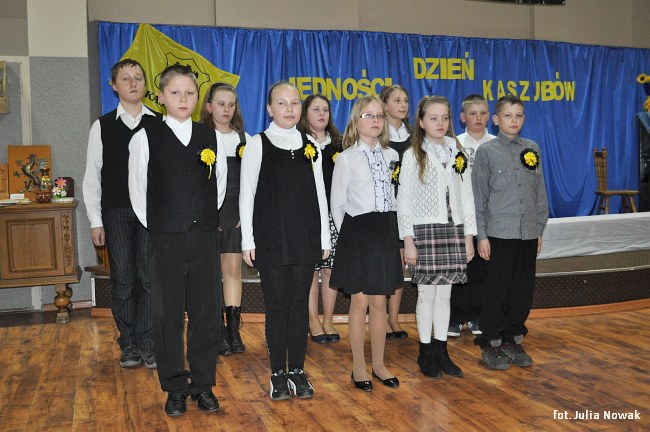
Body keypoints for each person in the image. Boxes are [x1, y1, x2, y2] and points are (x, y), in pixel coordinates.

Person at [128, 65, 227, 416]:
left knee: (206, 312)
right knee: (167, 314)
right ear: (161, 97)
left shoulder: (210, 136)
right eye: (175, 93)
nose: (183, 99)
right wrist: (163, 225)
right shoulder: (145, 137)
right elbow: (138, 192)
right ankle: (174, 386)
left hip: (203, 238)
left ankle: (203, 384)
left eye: (189, 93)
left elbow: (219, 186)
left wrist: (200, 218)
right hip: (166, 239)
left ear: (198, 97)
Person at [240, 82, 331, 400]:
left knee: (299, 306)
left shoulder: (310, 145)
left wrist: (324, 237)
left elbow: (320, 194)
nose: (289, 108)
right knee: (277, 306)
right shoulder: (257, 144)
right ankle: (278, 372)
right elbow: (247, 193)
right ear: (269, 108)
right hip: (270, 239)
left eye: (294, 103)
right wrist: (248, 239)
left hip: (304, 238)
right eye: (282, 103)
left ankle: (298, 371)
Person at [82, 59, 161, 369]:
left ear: (145, 84)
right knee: (124, 280)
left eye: (138, 77)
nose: (133, 83)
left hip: (150, 215)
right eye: (125, 78)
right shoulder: (102, 126)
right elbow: (92, 177)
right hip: (115, 213)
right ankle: (128, 343)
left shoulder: (158, 123)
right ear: (114, 86)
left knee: (149, 279)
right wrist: (95, 221)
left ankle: (148, 343)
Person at [397, 95, 475, 379]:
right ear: (421, 122)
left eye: (444, 118)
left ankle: (442, 351)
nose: (440, 123)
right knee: (427, 293)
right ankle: (425, 351)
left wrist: (469, 235)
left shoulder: (457, 151)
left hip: (453, 229)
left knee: (446, 294)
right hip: (424, 230)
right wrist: (408, 239)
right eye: (433, 118)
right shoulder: (413, 155)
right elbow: (403, 201)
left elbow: (466, 195)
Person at [330, 95, 402, 391]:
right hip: (358, 233)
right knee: (360, 302)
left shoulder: (392, 156)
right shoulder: (346, 158)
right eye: (368, 116)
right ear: (356, 121)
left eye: (379, 116)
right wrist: (347, 239)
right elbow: (337, 205)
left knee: (380, 302)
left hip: (385, 231)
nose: (375, 121)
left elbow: (397, 197)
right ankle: (359, 366)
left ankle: (379, 364)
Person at [471, 95, 549, 370]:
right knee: (496, 290)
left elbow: (539, 192)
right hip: (498, 234)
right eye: (508, 115)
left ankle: (512, 339)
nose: (513, 120)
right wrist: (481, 236)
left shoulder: (532, 148)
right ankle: (491, 342)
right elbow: (478, 197)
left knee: (522, 290)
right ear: (496, 119)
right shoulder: (487, 152)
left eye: (518, 115)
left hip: (527, 232)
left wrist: (539, 228)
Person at [200, 82, 251, 356]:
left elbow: (252, 183)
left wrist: (245, 213)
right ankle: (215, 330)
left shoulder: (245, 139)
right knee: (210, 273)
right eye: (221, 104)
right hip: (208, 212)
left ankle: (233, 330)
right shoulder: (200, 137)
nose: (226, 110)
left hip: (235, 212)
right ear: (209, 106)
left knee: (232, 270)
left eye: (231, 105)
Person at [448, 94, 495, 338]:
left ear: (490, 116)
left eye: (483, 113)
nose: (478, 118)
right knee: (460, 268)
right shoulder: (453, 144)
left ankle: (477, 315)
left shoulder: (496, 144)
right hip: (460, 216)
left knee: (481, 270)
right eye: (473, 113)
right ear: (462, 117)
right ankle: (455, 317)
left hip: (488, 217)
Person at [297, 94, 342, 344]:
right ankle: (312, 319)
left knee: (330, 268)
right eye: (316, 109)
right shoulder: (299, 142)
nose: (322, 114)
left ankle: (328, 320)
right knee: (312, 270)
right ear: (305, 114)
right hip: (308, 216)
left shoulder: (339, 145)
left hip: (334, 214)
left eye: (325, 109)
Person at [379, 84, 413, 340]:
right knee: (385, 263)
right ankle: (380, 316)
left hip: (408, 207)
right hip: (385, 208)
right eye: (397, 100)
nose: (402, 105)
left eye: (405, 101)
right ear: (384, 105)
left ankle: (394, 317)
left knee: (401, 263)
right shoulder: (378, 134)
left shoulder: (414, 135)